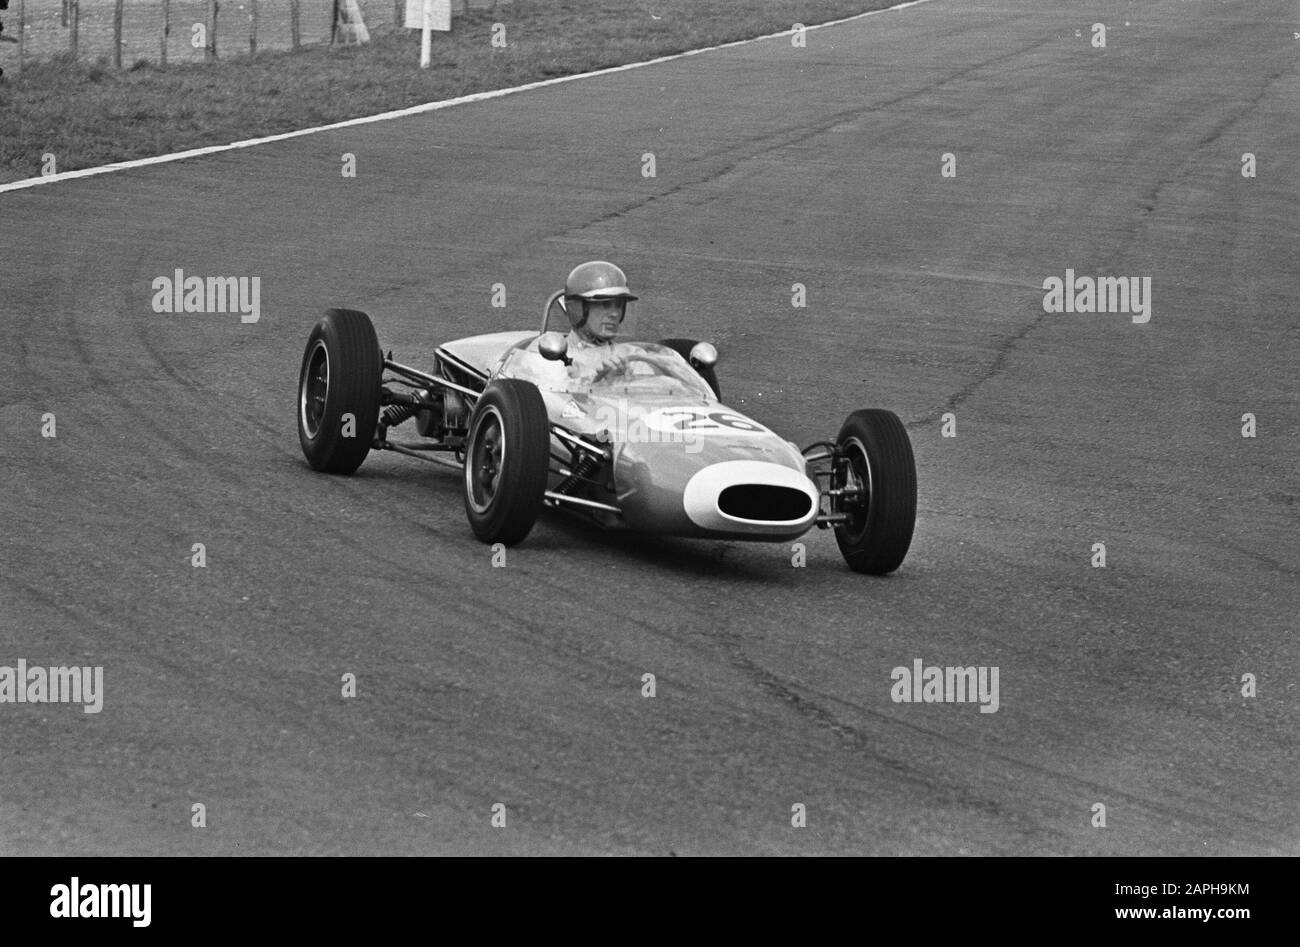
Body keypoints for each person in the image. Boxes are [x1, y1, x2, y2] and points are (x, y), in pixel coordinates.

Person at [561, 261, 637, 383]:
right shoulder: (550, 354)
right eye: (605, 305)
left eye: (619, 306)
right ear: (578, 309)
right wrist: (601, 385)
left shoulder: (632, 356)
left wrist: (627, 385)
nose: (614, 314)